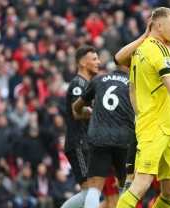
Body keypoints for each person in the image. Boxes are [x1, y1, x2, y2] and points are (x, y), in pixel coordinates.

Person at [116, 7, 170, 208]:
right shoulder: (152, 50)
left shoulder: (144, 52)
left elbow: (133, 89)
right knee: (140, 184)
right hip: (155, 126)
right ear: (159, 26)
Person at [72, 64, 135, 208]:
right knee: (125, 186)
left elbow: (76, 106)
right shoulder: (133, 83)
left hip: (99, 138)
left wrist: (87, 110)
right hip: (124, 139)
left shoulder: (99, 79)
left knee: (94, 189)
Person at [61, 45, 100, 208]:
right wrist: (98, 111)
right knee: (89, 191)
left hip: (85, 142)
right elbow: (77, 112)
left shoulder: (87, 84)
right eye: (94, 59)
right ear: (83, 63)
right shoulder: (78, 83)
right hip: (78, 143)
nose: (98, 62)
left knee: (92, 191)